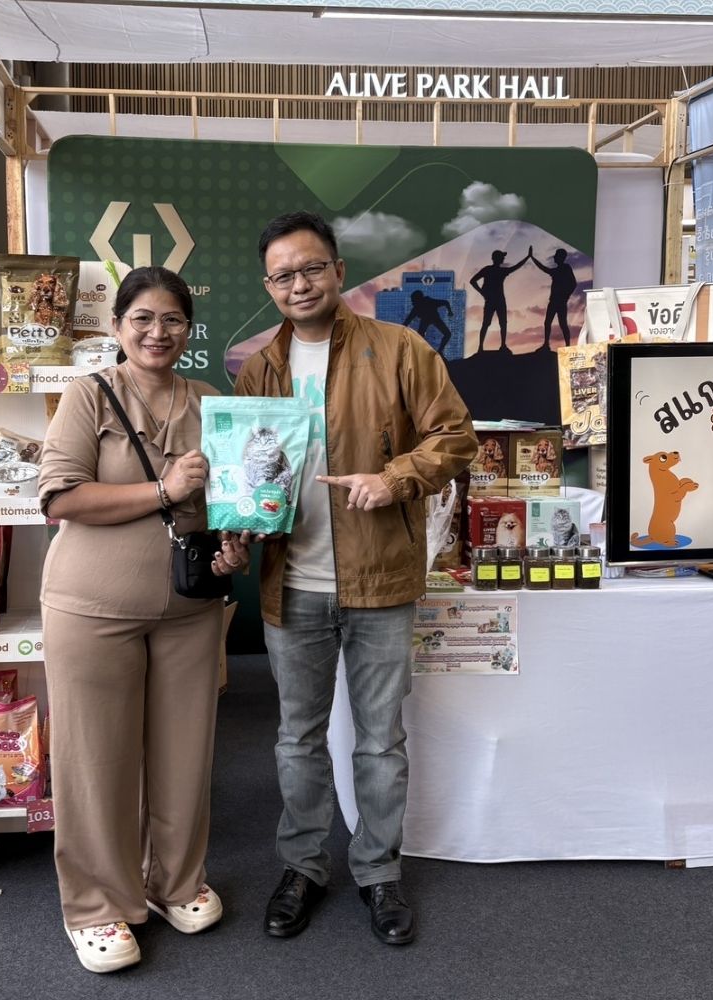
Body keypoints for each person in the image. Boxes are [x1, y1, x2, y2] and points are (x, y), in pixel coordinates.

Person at [235, 212, 477, 946]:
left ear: (339, 271)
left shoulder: (399, 349)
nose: (299, 284)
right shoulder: (260, 369)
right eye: (283, 275)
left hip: (380, 579)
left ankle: (378, 871)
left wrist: (394, 478)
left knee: (379, 741)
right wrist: (243, 513)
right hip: (292, 582)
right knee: (297, 740)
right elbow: (249, 467)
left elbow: (455, 436)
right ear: (268, 286)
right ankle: (302, 867)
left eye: (312, 268)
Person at [38, 266, 250, 974]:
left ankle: (174, 882)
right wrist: (162, 488)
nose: (158, 333)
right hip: (91, 606)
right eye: (143, 319)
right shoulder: (88, 394)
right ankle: (97, 905)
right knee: (95, 760)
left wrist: (233, 546)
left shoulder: (210, 400)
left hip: (190, 607)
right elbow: (61, 498)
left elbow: (227, 500)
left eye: (173, 320)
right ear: (118, 326)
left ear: (189, 329)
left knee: (186, 754)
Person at [470, 245, 532, 352]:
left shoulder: (491, 270)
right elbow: (473, 281)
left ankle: (497, 346)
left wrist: (482, 293)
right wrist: (482, 293)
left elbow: (473, 281)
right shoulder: (492, 270)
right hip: (496, 300)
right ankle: (484, 347)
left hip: (496, 300)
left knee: (496, 323)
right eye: (502, 257)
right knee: (493, 323)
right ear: (497, 258)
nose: (503, 259)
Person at [529, 247, 577, 349]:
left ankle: (567, 346)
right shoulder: (557, 270)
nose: (554, 257)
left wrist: (566, 295)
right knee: (548, 322)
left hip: (560, 301)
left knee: (562, 324)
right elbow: (544, 268)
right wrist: (532, 258)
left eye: (556, 256)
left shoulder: (566, 268)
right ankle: (546, 344)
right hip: (554, 301)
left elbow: (573, 283)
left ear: (560, 257)